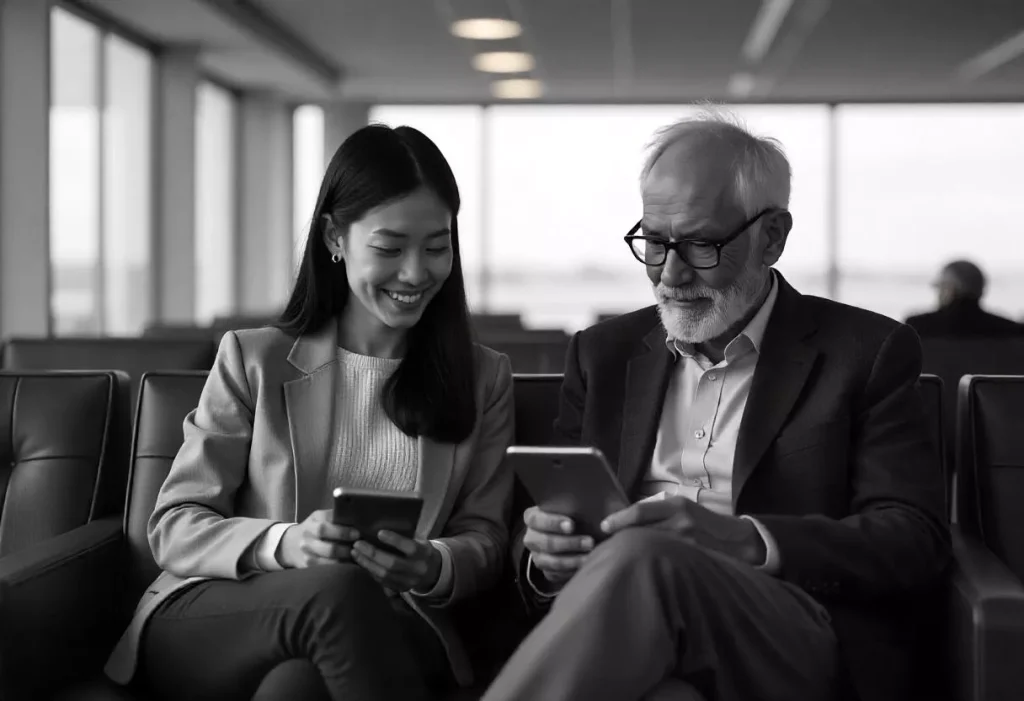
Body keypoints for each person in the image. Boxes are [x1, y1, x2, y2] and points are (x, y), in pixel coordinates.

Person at [482, 110, 949, 701]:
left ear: (772, 237)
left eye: (701, 244)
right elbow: (541, 536)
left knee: (649, 557)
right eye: (654, 242)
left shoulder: (867, 352)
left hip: (793, 629)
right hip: (633, 626)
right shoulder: (601, 355)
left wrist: (745, 539)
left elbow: (913, 540)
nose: (670, 274)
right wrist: (547, 558)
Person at [103, 124, 516, 701]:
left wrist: (433, 564)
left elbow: (485, 538)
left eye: (437, 246)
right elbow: (173, 525)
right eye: (390, 248)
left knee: (296, 686)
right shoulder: (254, 359)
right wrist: (288, 543)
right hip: (227, 611)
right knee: (337, 591)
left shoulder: (483, 378)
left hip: (392, 625)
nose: (417, 273)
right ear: (335, 238)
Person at [905, 259, 1023, 338]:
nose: (938, 293)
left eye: (939, 286)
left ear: (950, 289)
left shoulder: (917, 327)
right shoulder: (1013, 330)